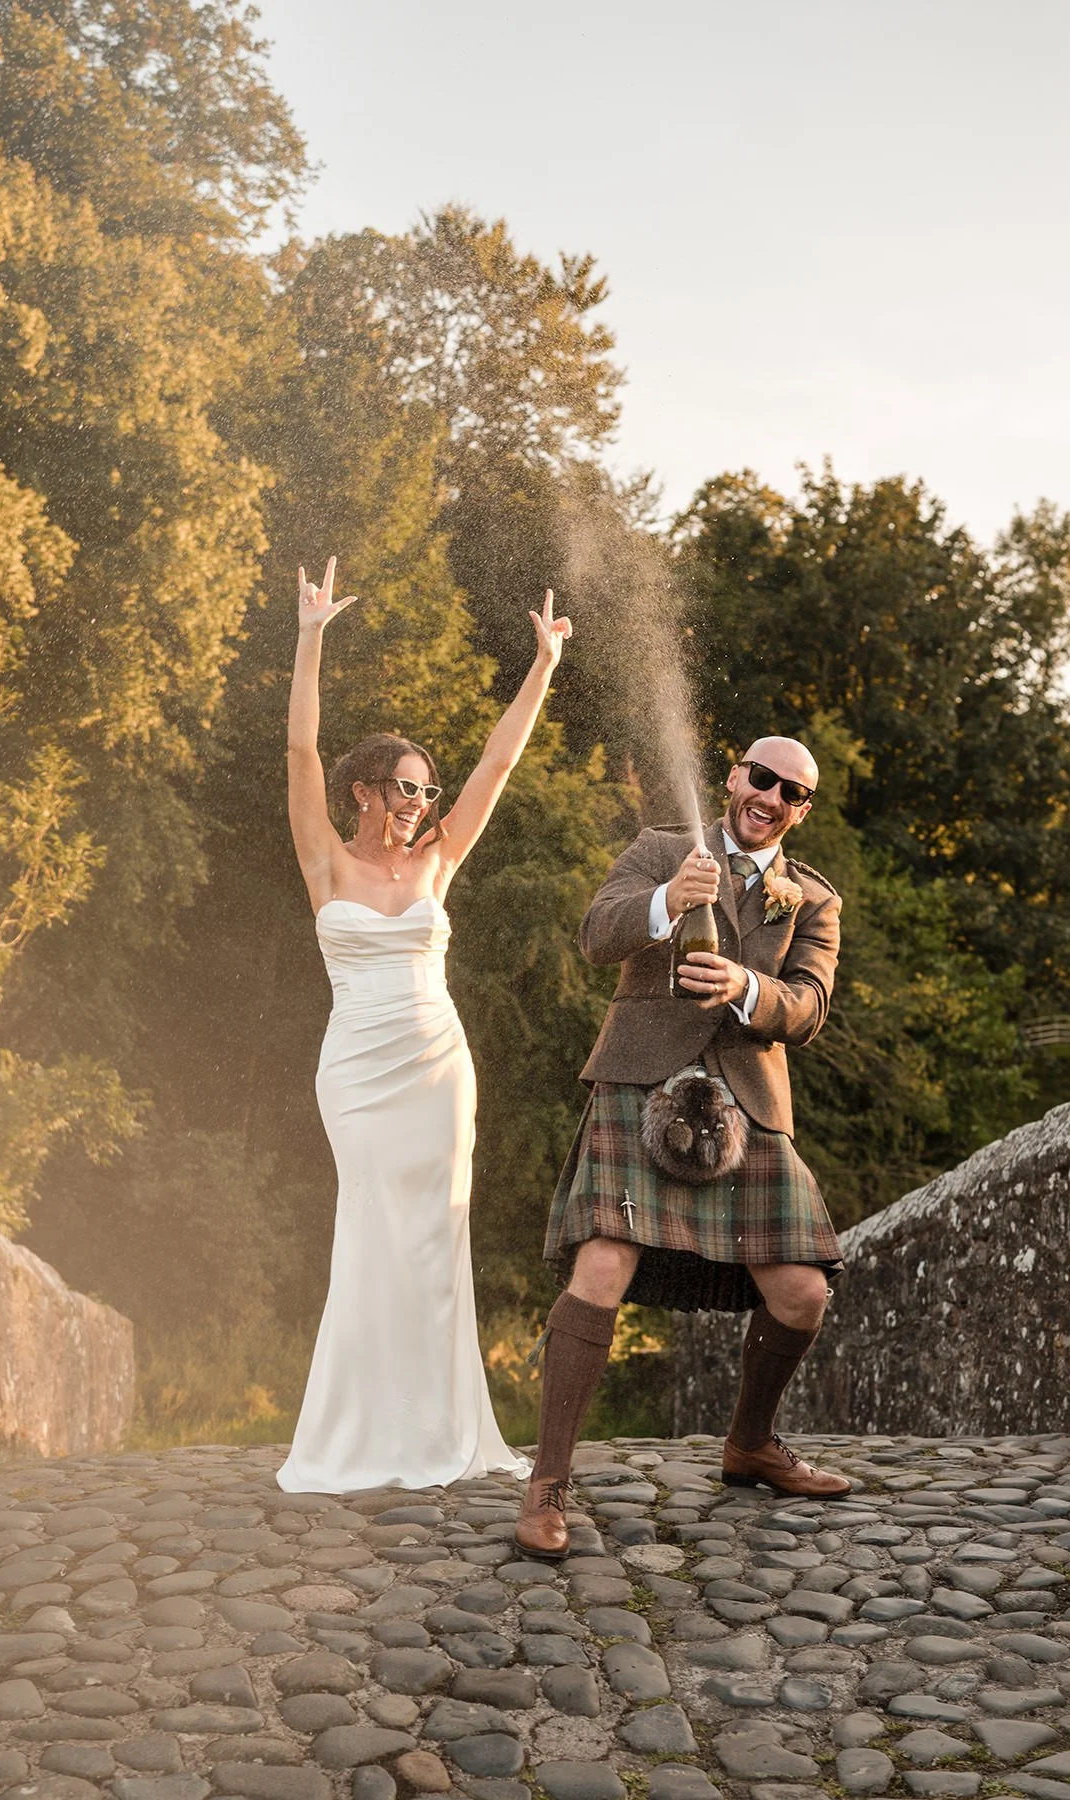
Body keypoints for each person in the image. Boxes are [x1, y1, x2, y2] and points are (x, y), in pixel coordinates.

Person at [515, 736, 851, 1559]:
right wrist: (667, 898)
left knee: (804, 1291)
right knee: (602, 1265)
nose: (769, 797)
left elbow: (808, 1008)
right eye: (760, 778)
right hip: (637, 1083)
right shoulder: (664, 848)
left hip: (747, 1100)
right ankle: (547, 1482)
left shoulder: (809, 897)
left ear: (803, 810)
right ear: (734, 775)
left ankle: (751, 1445)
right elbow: (597, 934)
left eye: (791, 792)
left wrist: (747, 989)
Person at [277, 556, 571, 1494]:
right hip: (357, 1074)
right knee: (370, 1232)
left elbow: (499, 762)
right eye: (404, 789)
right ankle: (358, 1432)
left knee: (438, 1238)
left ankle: (442, 1429)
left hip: (439, 1066)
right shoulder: (325, 862)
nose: (419, 804)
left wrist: (544, 668)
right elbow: (298, 757)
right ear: (364, 791)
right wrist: (312, 638)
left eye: (425, 793)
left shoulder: (439, 860)